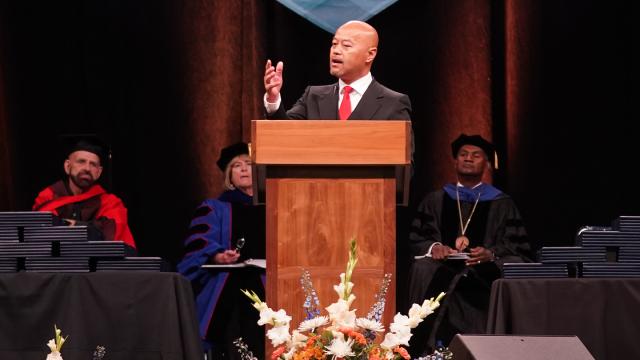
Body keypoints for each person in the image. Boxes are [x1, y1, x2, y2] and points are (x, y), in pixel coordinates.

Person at [406, 134, 533, 356]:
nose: (468, 159)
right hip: (442, 267)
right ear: (455, 162)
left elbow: (518, 248)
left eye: (476, 155)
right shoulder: (435, 200)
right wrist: (435, 247)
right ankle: (425, 349)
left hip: (482, 270)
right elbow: (417, 239)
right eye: (463, 155)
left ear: (486, 163)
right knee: (422, 268)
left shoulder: (502, 204)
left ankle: (487, 350)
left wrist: (491, 254)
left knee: (502, 270)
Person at [177, 142, 265, 359]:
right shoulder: (214, 207)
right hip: (229, 286)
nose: (244, 169)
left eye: (249, 163)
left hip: (269, 284)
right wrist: (218, 255)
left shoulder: (277, 205)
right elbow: (199, 240)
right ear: (229, 176)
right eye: (237, 166)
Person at [263, 20, 411, 121]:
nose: (336, 51)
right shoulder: (313, 96)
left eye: (346, 45)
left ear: (370, 54)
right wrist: (273, 99)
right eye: (334, 44)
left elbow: (403, 163)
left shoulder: (394, 103)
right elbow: (284, 133)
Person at [32, 135, 136, 249]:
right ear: (67, 166)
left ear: (99, 172)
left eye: (93, 164)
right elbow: (42, 234)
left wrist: (75, 226)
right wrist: (89, 229)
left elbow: (112, 233)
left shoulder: (111, 203)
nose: (87, 168)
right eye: (81, 161)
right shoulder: (49, 196)